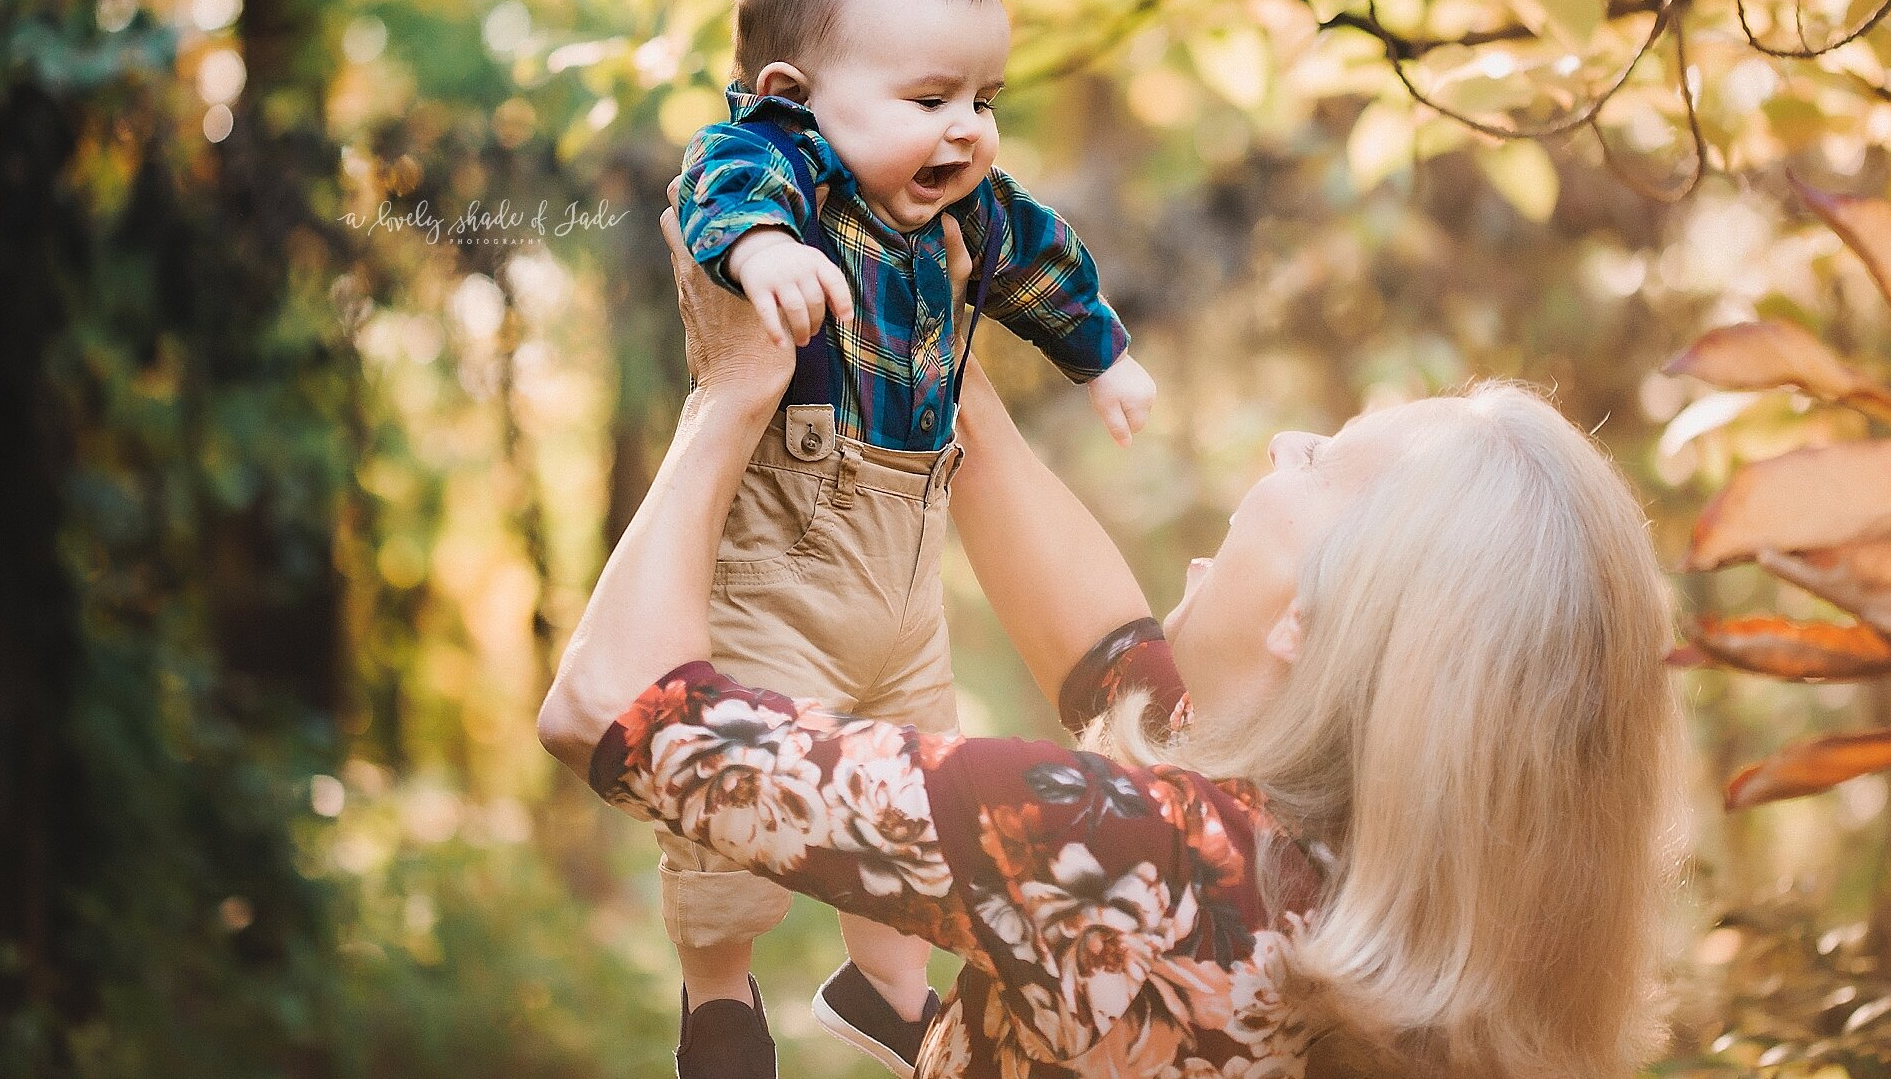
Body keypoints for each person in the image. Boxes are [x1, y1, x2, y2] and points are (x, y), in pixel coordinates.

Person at [537, 192, 1686, 1078]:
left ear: (1311, 619)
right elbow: (1106, 661)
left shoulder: (1129, 862)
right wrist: (935, 358)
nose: (1286, 442)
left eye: (1321, 462)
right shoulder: (1343, 882)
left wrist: (730, 395)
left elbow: (613, 707)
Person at [650, 0, 1154, 1076]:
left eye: (982, 101)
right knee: (737, 799)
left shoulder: (959, 204)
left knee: (914, 806)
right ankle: (717, 993)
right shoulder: (786, 170)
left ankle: (886, 987)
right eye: (930, 100)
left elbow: (1037, 255)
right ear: (792, 94)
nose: (968, 131)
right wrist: (765, 251)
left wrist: (1102, 355)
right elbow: (720, 183)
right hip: (784, 562)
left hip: (902, 571)